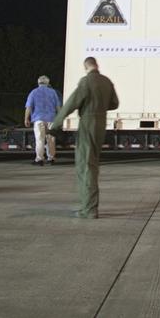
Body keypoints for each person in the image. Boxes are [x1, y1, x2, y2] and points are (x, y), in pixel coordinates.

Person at [47, 57, 118, 218]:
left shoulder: (86, 82)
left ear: (86, 67)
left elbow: (70, 104)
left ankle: (89, 209)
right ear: (96, 66)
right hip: (101, 125)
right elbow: (115, 104)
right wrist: (100, 105)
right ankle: (90, 206)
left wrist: (56, 124)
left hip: (87, 124)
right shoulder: (107, 81)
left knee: (85, 167)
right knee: (92, 165)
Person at [24, 75, 60, 166]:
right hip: (51, 119)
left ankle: (39, 159)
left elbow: (29, 107)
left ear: (38, 82)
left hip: (38, 119)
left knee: (40, 140)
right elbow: (58, 106)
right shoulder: (53, 92)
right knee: (51, 139)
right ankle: (51, 158)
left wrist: (26, 118)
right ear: (48, 83)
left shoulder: (33, 92)